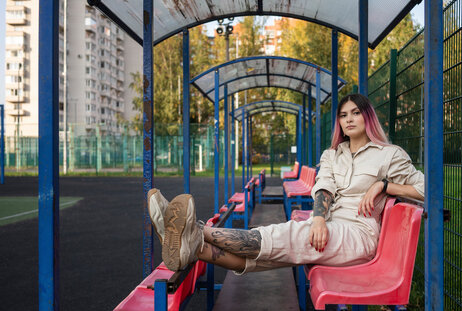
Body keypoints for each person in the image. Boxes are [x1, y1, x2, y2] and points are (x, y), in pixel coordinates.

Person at [148, 93, 424, 274]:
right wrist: (318, 219)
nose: (349, 119)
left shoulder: (390, 155)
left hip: (359, 235)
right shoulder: (331, 155)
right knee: (267, 257)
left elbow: (430, 190)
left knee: (290, 234)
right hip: (330, 224)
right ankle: (191, 246)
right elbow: (324, 186)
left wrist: (385, 186)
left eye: (355, 113)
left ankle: (191, 230)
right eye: (343, 115)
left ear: (368, 116)